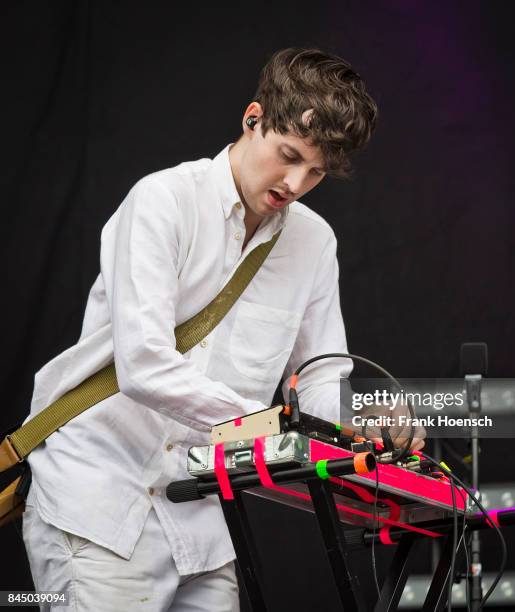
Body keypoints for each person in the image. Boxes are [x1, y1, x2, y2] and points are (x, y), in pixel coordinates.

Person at [21, 47, 419, 611]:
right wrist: (275, 426)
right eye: (288, 156)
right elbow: (144, 366)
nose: (296, 183)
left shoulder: (315, 243)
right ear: (253, 117)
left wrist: (366, 429)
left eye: (316, 172)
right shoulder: (163, 202)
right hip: (99, 505)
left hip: (206, 523)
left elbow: (323, 380)